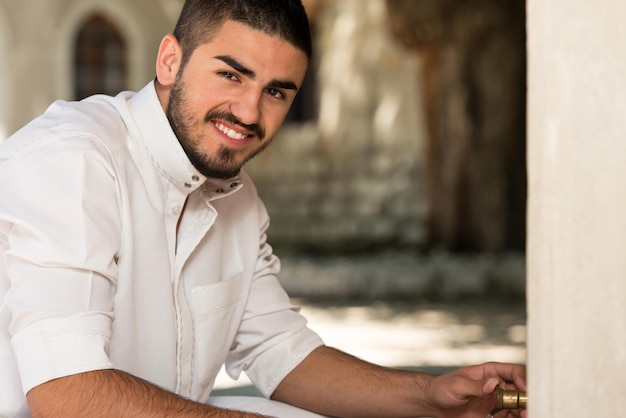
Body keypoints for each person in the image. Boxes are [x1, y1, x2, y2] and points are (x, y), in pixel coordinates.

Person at [0, 0, 526, 417]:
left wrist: (429, 397)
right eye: (231, 74)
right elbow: (66, 396)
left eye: (276, 91)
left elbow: (282, 353)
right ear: (169, 60)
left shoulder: (237, 197)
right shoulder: (73, 159)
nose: (250, 112)